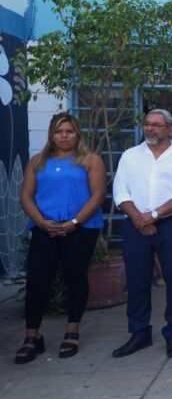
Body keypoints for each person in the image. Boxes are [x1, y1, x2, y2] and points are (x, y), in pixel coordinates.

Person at [15, 113, 106, 363]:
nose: (64, 136)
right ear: (51, 135)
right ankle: (32, 336)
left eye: (69, 131)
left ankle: (72, 331)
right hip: (45, 228)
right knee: (37, 280)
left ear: (78, 134)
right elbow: (26, 196)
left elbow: (98, 196)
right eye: (58, 131)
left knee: (74, 277)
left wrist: (74, 222)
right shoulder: (37, 162)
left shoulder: (90, 160)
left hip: (81, 228)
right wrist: (42, 222)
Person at [111, 109, 172, 359]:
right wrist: (139, 218)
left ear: (170, 128)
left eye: (156, 125)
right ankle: (139, 332)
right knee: (137, 279)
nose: (150, 129)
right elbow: (120, 191)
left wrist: (153, 216)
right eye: (147, 124)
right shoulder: (130, 156)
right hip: (135, 223)